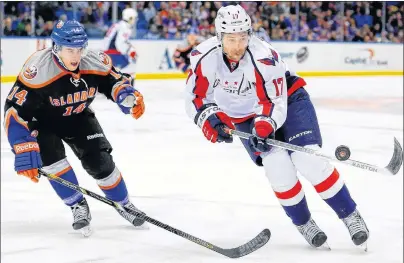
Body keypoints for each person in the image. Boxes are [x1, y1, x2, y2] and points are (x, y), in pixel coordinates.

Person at [185, 5, 369, 249]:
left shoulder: (264, 56)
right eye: (231, 39)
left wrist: (264, 125)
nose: (238, 45)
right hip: (244, 117)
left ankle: (350, 215)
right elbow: (195, 98)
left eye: (242, 38)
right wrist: (210, 120)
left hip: (288, 102)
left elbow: (274, 101)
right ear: (219, 37)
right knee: (277, 166)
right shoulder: (204, 57)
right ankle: (304, 223)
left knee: (308, 159)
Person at [4, 20, 146, 237]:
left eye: (79, 49)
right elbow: (14, 110)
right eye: (70, 50)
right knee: (53, 162)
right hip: (42, 122)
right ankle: (77, 205)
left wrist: (126, 95)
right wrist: (21, 144)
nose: (76, 56)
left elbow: (115, 81)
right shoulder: (38, 69)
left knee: (100, 161)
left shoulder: (94, 60)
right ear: (56, 47)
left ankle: (124, 203)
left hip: (77, 115)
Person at [102, 8, 138, 75]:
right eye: (134, 18)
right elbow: (119, 44)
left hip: (108, 53)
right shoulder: (125, 27)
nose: (135, 20)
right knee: (131, 67)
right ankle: (126, 85)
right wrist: (130, 52)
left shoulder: (120, 24)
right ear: (129, 18)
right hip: (112, 53)